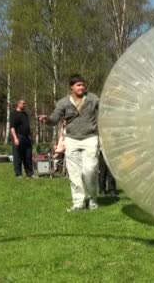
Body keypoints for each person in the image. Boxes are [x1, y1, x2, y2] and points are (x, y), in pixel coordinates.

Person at [39, 74, 100, 212]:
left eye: (83, 85)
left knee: (90, 170)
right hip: (71, 139)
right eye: (79, 85)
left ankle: (92, 199)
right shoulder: (63, 102)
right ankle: (78, 203)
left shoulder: (92, 98)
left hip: (90, 138)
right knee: (74, 173)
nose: (82, 87)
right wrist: (47, 120)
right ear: (71, 87)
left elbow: (105, 108)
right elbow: (55, 118)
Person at [10, 99, 34, 179]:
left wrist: (30, 137)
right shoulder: (14, 114)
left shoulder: (25, 114)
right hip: (18, 136)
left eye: (25, 103)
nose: (24, 105)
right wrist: (15, 138)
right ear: (18, 104)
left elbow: (27, 127)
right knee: (18, 156)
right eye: (23, 104)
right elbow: (12, 127)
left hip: (26, 137)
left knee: (28, 156)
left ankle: (30, 174)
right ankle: (19, 174)